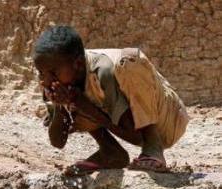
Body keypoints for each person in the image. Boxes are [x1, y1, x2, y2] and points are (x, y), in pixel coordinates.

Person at [33, 25, 189, 173]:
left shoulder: (102, 71)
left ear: (78, 64)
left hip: (168, 118)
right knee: (79, 99)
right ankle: (111, 152)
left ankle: (153, 147)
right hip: (132, 126)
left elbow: (133, 135)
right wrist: (61, 106)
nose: (46, 80)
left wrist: (84, 105)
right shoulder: (53, 83)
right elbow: (58, 142)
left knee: (130, 60)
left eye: (53, 73)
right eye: (41, 73)